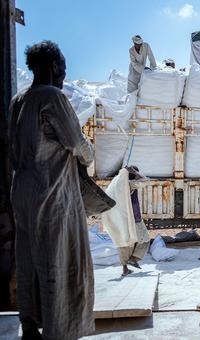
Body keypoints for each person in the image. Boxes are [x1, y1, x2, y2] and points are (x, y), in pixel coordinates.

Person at [9, 40, 95, 339]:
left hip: (23, 192)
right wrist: (89, 153)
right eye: (62, 67)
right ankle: (60, 329)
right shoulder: (52, 97)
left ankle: (30, 324)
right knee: (60, 260)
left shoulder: (19, 100)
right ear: (53, 67)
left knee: (29, 258)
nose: (63, 73)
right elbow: (76, 143)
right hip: (52, 193)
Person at [101, 166, 150, 276]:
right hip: (133, 217)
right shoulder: (128, 184)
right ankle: (134, 259)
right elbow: (146, 181)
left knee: (123, 241)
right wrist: (136, 173)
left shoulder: (116, 182)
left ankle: (125, 268)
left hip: (120, 218)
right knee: (145, 239)